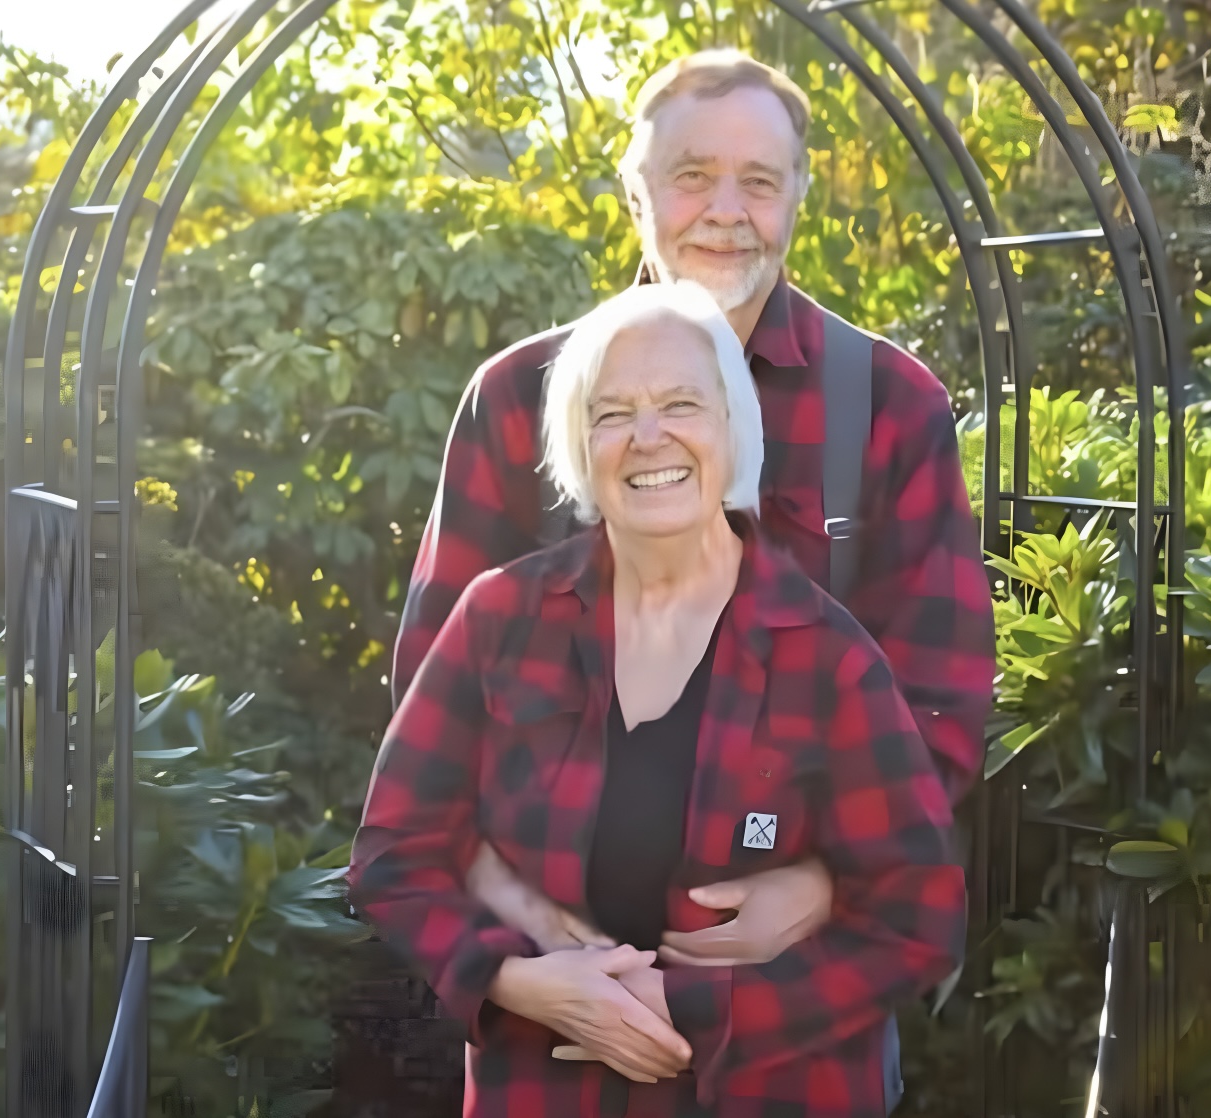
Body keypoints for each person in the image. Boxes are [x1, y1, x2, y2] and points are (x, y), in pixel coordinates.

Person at [389, 48, 996, 1099]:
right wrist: (524, 939)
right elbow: (430, 722)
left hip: (793, 1021)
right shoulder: (518, 397)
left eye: (759, 182)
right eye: (690, 176)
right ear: (636, 191)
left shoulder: (888, 409)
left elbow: (942, 707)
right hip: (557, 1029)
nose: (725, 212)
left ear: (799, 197)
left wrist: (820, 880)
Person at [351, 281, 966, 1116]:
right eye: (612, 413)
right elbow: (395, 851)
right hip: (538, 1092)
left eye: (682, 403)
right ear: (578, 445)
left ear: (733, 430)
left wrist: (691, 1013)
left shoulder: (828, 660)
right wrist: (516, 980)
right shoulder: (497, 619)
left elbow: (918, 915)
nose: (648, 438)